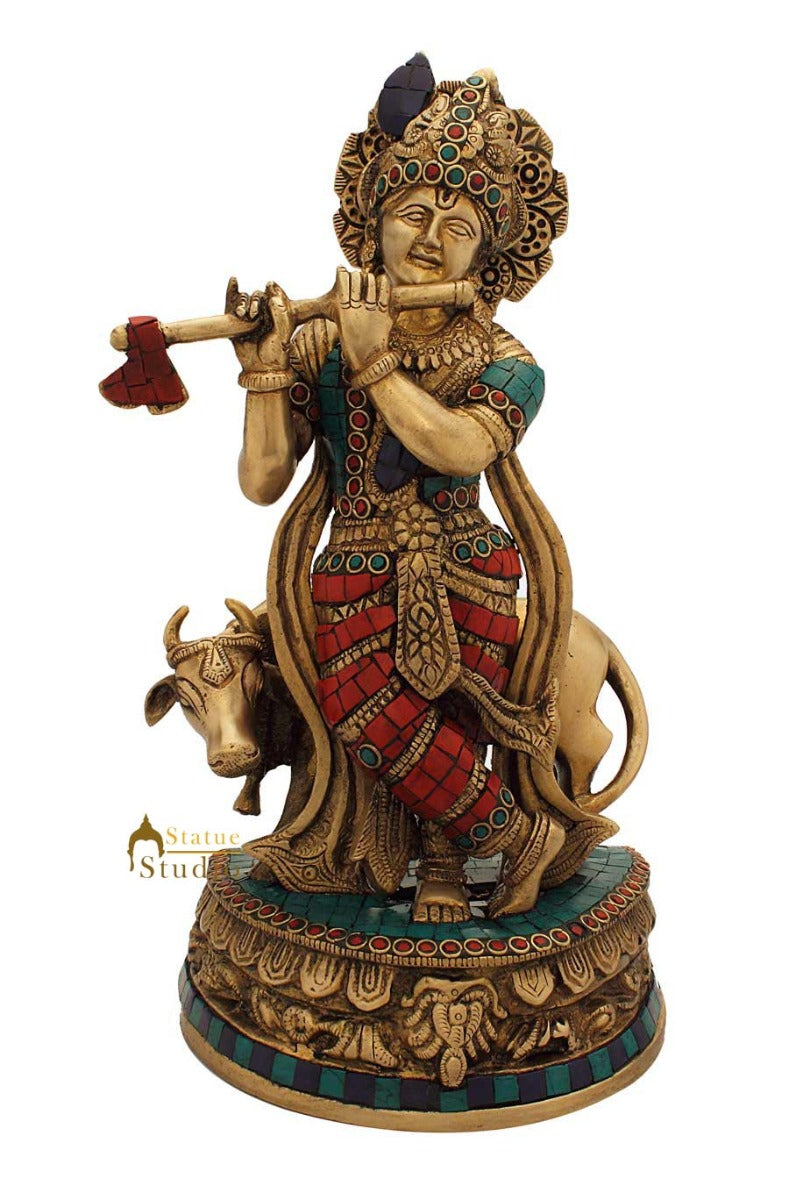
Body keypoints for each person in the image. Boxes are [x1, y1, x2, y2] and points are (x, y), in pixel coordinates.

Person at [229, 63, 615, 916]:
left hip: (465, 565)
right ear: (373, 225)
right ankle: (513, 837)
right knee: (363, 713)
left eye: (458, 225)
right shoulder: (318, 343)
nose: (431, 239)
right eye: (412, 214)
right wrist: (264, 370)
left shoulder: (507, 361)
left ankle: (448, 858)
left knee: (455, 715)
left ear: (486, 253)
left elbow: (458, 446)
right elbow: (263, 481)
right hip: (351, 567)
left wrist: (373, 358)